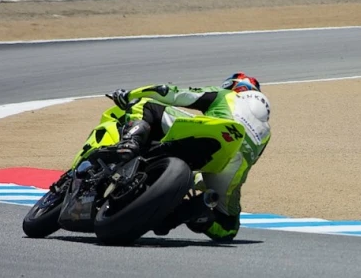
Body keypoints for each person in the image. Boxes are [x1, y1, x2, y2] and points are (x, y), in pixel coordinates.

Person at [95, 72, 272, 243]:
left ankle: (130, 142)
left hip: (211, 133)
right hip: (228, 166)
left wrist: (128, 95)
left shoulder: (226, 95)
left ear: (235, 86)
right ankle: (190, 211)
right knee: (227, 229)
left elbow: (170, 92)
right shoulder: (266, 133)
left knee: (144, 104)